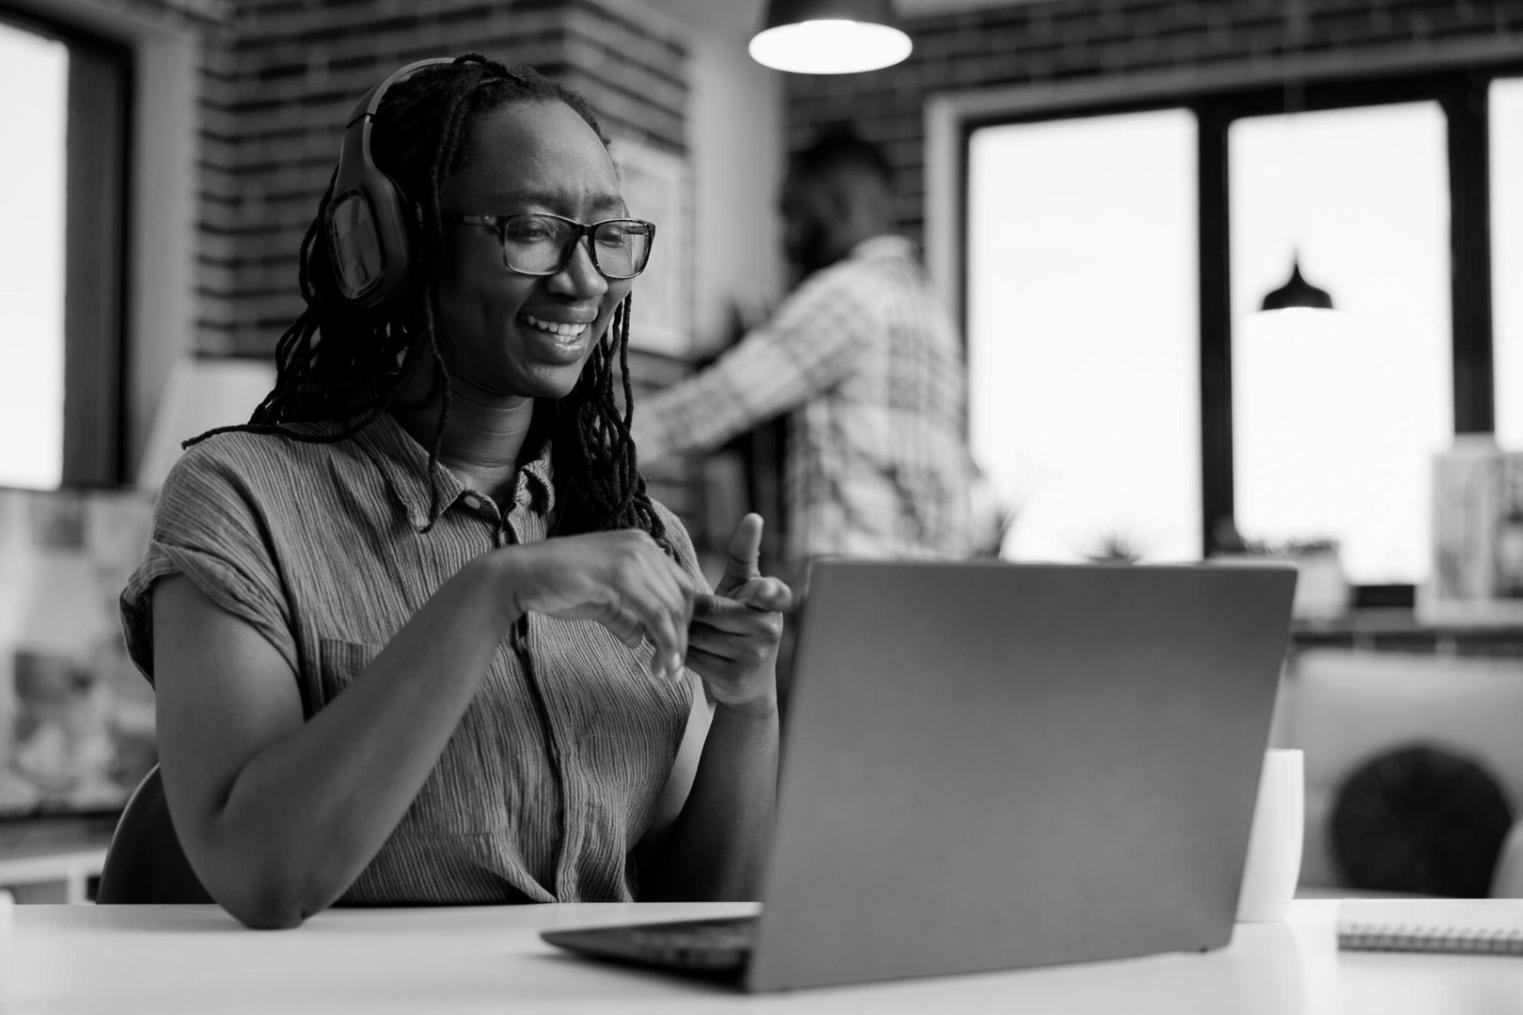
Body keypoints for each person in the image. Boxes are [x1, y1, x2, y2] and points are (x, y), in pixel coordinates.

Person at [118, 54, 791, 929]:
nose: (584, 278)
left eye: (608, 235)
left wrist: (748, 704)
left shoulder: (636, 534)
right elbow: (258, 873)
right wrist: (491, 591)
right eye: (532, 229)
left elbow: (692, 916)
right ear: (397, 243)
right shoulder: (240, 499)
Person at [633, 124, 979, 594]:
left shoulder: (850, 294)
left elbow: (714, 405)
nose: (787, 239)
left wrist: (579, 448)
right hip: (929, 592)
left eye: (794, 214)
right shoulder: (929, 311)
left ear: (839, 203)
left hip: (853, 591)